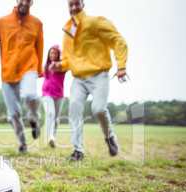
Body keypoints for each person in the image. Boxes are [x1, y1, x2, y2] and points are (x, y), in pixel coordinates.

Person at [50, 0, 129, 161]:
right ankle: (78, 151)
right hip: (78, 78)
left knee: (98, 109)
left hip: (99, 74)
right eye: (70, 5)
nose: (73, 8)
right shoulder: (67, 31)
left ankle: (110, 138)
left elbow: (117, 40)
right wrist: (60, 65)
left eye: (76, 4)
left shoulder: (96, 22)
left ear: (83, 4)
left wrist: (121, 66)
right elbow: (68, 59)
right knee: (74, 108)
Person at [0, 0, 43, 154]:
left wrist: (38, 69)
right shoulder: (1, 22)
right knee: (13, 115)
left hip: (29, 67)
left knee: (30, 95)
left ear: (32, 3)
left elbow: (40, 47)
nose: (25, 2)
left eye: (28, 0)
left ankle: (34, 118)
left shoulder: (37, 23)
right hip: (8, 73)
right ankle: (23, 144)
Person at [41, 45, 67, 148]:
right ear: (48, 54)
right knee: (50, 114)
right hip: (46, 94)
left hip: (59, 95)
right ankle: (50, 136)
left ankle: (53, 137)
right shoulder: (45, 67)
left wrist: (59, 64)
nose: (53, 55)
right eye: (52, 53)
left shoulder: (61, 67)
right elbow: (36, 74)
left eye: (56, 53)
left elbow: (68, 63)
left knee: (56, 119)